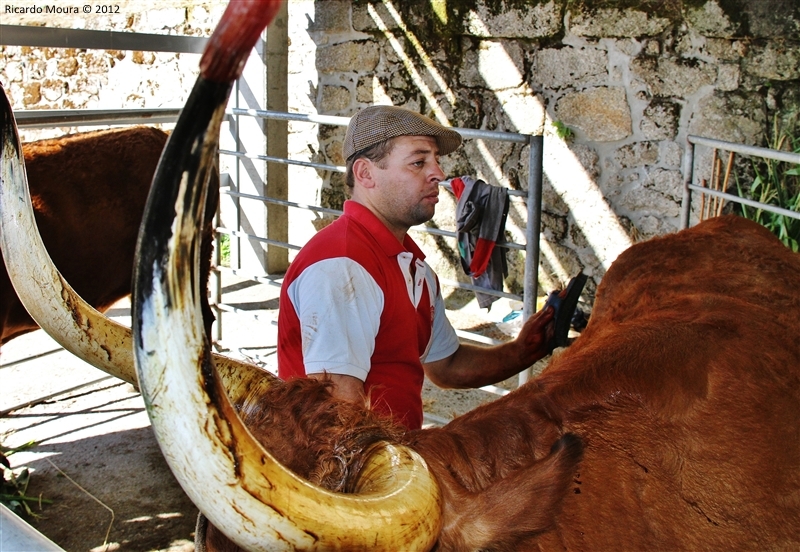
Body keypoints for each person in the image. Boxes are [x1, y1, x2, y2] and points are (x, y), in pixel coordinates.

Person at [277, 105, 580, 430]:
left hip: (393, 461)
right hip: (347, 473)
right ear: (365, 174)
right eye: (418, 162)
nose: (438, 173)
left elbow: (447, 365)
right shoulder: (343, 265)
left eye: (436, 160)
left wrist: (525, 349)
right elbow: (338, 417)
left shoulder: (412, 264)